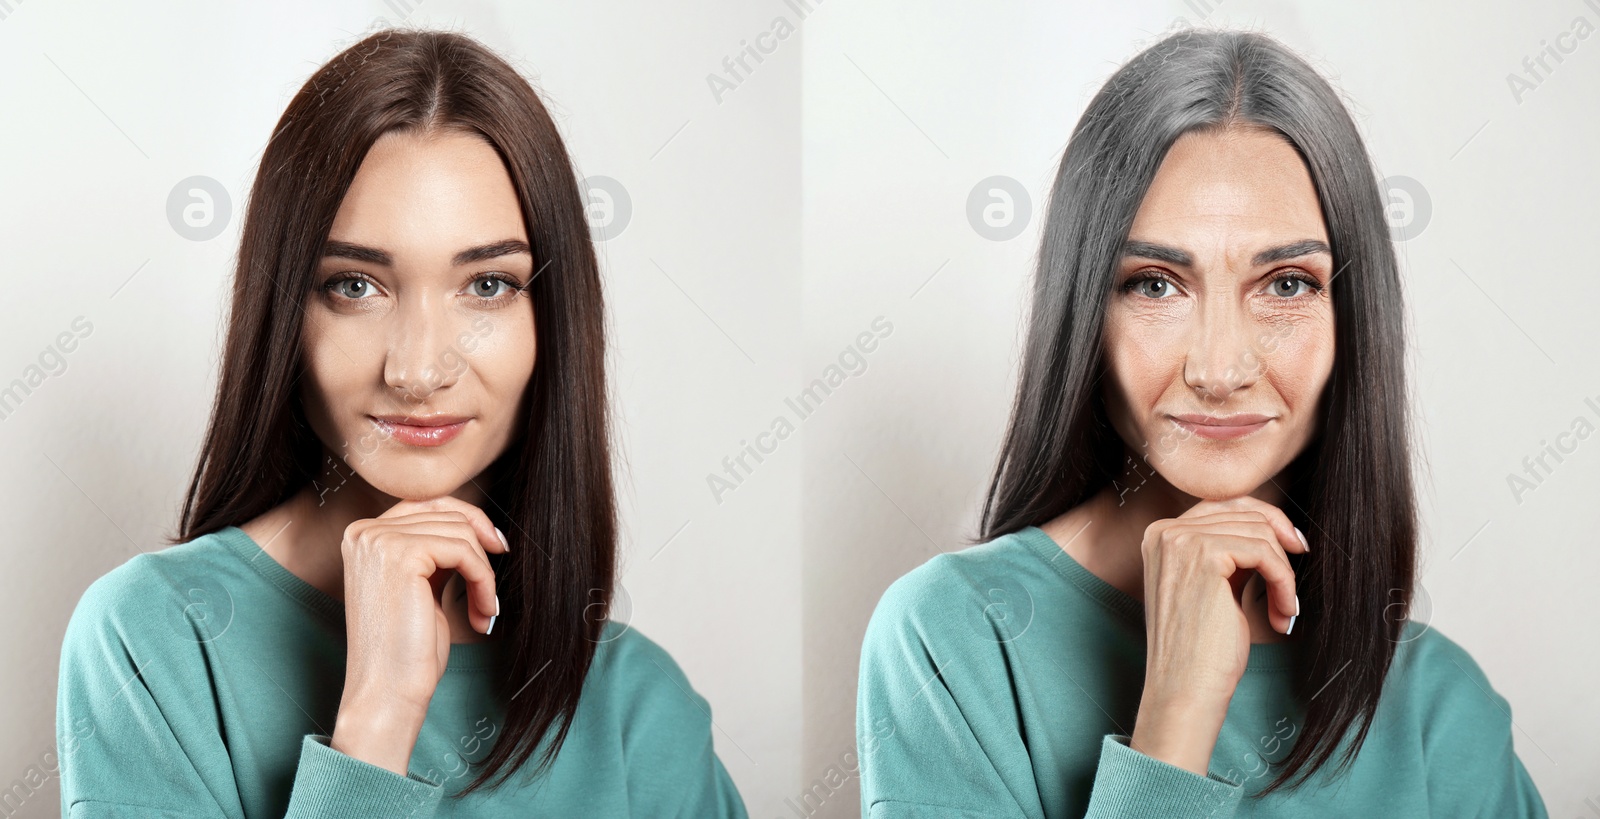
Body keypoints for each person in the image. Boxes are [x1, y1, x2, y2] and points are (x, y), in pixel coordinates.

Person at [855, 27, 1549, 818]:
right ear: (1083, 310)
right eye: (1155, 284)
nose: (1219, 371)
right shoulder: (953, 640)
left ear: (1353, 320)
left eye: (1286, 285)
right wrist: (1174, 722)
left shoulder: (1442, 710)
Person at [56, 28, 748, 817]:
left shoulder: (640, 708)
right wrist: (375, 721)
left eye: (486, 285)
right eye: (355, 285)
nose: (418, 372)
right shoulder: (154, 640)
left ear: (552, 321)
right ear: (283, 311)